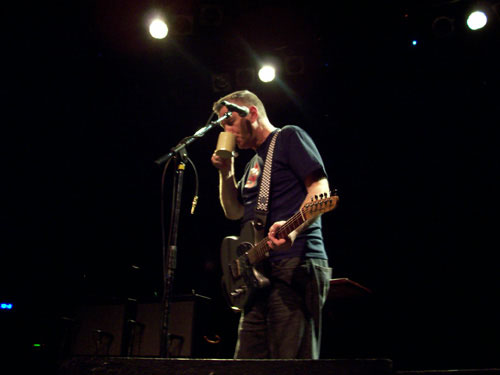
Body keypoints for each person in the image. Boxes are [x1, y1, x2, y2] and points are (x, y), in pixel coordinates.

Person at [210, 90, 334, 359]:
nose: (226, 130)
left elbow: (321, 191)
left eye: (228, 122)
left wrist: (294, 228)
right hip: (258, 274)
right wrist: (226, 171)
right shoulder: (253, 164)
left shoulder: (289, 136)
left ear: (251, 114)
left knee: (290, 365)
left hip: (294, 264)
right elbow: (233, 211)